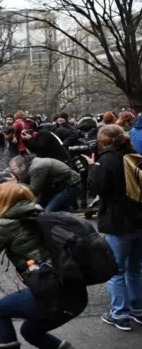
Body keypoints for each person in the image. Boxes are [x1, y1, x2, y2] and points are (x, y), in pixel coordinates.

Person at [0, 182, 83, 349]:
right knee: (30, 332)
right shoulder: (39, 213)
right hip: (76, 293)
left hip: (53, 295)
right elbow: (21, 237)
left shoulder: (5, 225)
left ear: (4, 201)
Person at [86, 124, 142, 331]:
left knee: (115, 270)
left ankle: (119, 313)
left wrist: (92, 167)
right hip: (139, 218)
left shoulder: (108, 159)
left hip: (118, 221)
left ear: (103, 141)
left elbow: (95, 188)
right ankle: (138, 309)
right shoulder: (134, 154)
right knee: (135, 268)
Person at [9, 155, 81, 212]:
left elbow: (34, 191)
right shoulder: (28, 165)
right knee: (36, 209)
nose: (13, 172)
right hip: (54, 187)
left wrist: (17, 184)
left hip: (70, 185)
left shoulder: (36, 167)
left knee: (47, 213)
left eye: (14, 169)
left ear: (23, 167)